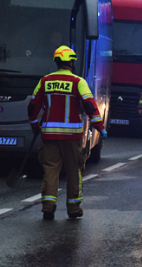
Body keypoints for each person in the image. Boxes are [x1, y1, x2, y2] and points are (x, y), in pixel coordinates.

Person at [28, 45, 107, 220]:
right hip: (72, 137)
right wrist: (100, 128)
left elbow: (32, 107)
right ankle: (73, 209)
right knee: (74, 170)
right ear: (71, 62)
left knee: (50, 170)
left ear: (57, 62)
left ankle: (48, 207)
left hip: (49, 136)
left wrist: (35, 126)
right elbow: (90, 107)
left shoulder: (45, 81)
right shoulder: (79, 82)